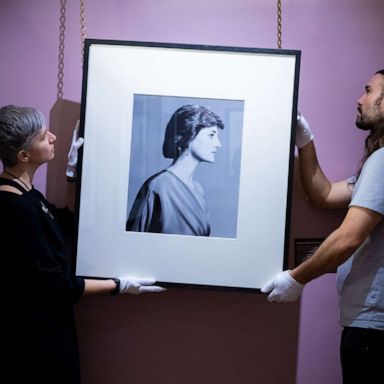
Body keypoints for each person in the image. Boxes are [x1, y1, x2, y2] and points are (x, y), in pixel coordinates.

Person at [0, 105, 165, 384]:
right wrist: (118, 285)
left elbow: (64, 223)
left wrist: (72, 174)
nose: (53, 137)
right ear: (23, 155)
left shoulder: (26, 195)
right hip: (35, 342)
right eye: (43, 137)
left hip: (46, 331)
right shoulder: (16, 210)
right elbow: (55, 285)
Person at [261, 70, 384, 383]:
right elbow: (324, 193)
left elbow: (348, 237)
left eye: (368, 91)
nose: (359, 100)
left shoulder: (383, 161)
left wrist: (296, 278)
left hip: (374, 334)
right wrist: (306, 140)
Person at [126, 104, 224, 236]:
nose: (218, 144)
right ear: (188, 136)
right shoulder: (158, 186)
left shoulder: (198, 189)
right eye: (211, 135)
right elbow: (133, 239)